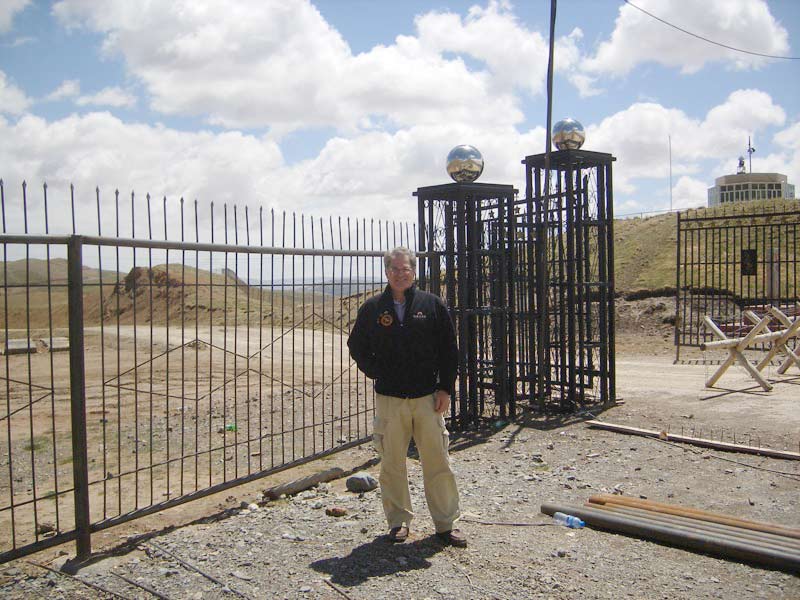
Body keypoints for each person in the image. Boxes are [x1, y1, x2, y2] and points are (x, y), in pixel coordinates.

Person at [347, 247, 466, 547]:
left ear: (414, 271)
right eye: (394, 269)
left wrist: (446, 388)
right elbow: (356, 345)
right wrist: (376, 371)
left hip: (427, 398)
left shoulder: (432, 305)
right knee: (392, 463)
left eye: (406, 268)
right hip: (390, 400)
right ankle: (398, 522)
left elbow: (448, 349)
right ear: (386, 272)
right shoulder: (373, 308)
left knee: (437, 460)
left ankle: (445, 524)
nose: (401, 273)